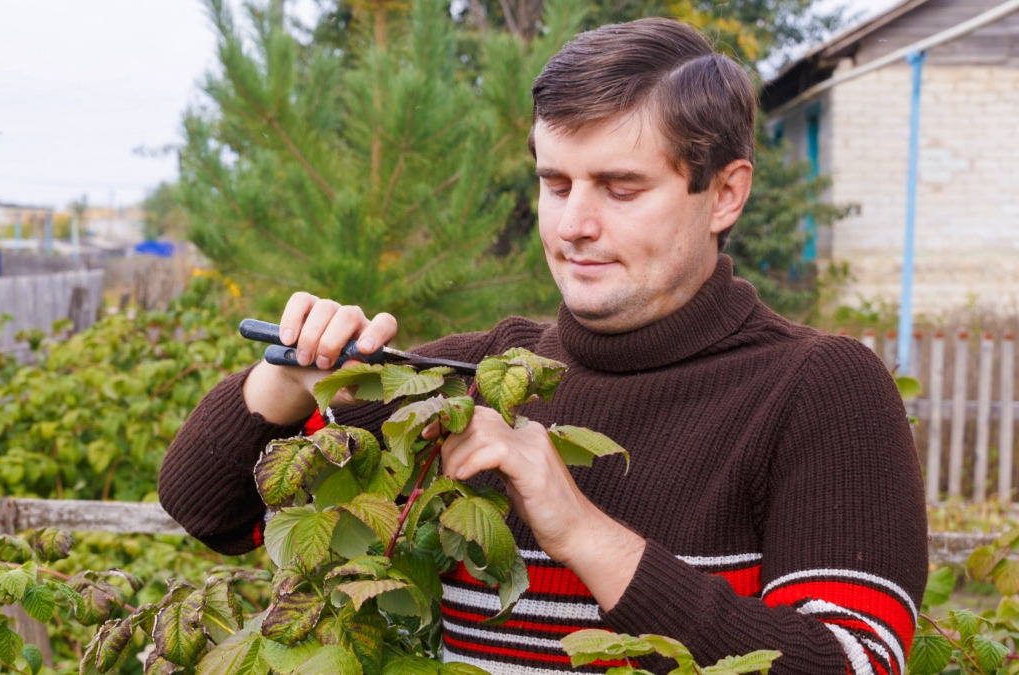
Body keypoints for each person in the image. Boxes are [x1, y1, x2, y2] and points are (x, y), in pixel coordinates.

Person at [159, 17, 927, 675]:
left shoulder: (814, 387)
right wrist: (285, 382)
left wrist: (575, 525)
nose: (572, 225)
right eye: (556, 184)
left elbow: (854, 659)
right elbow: (210, 510)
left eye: (620, 188)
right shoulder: (478, 377)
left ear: (725, 192)